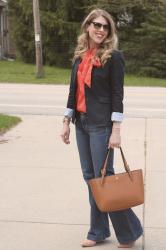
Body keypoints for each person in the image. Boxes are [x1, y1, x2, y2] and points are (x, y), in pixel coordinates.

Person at [61, 8, 143, 248]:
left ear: (109, 31)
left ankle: (128, 232)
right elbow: (72, 92)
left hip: (101, 125)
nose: (100, 30)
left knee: (104, 178)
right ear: (87, 26)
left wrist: (116, 129)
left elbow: (118, 95)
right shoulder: (80, 56)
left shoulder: (113, 56)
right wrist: (66, 121)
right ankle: (98, 230)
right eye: (96, 25)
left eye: (105, 26)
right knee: (91, 178)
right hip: (81, 123)